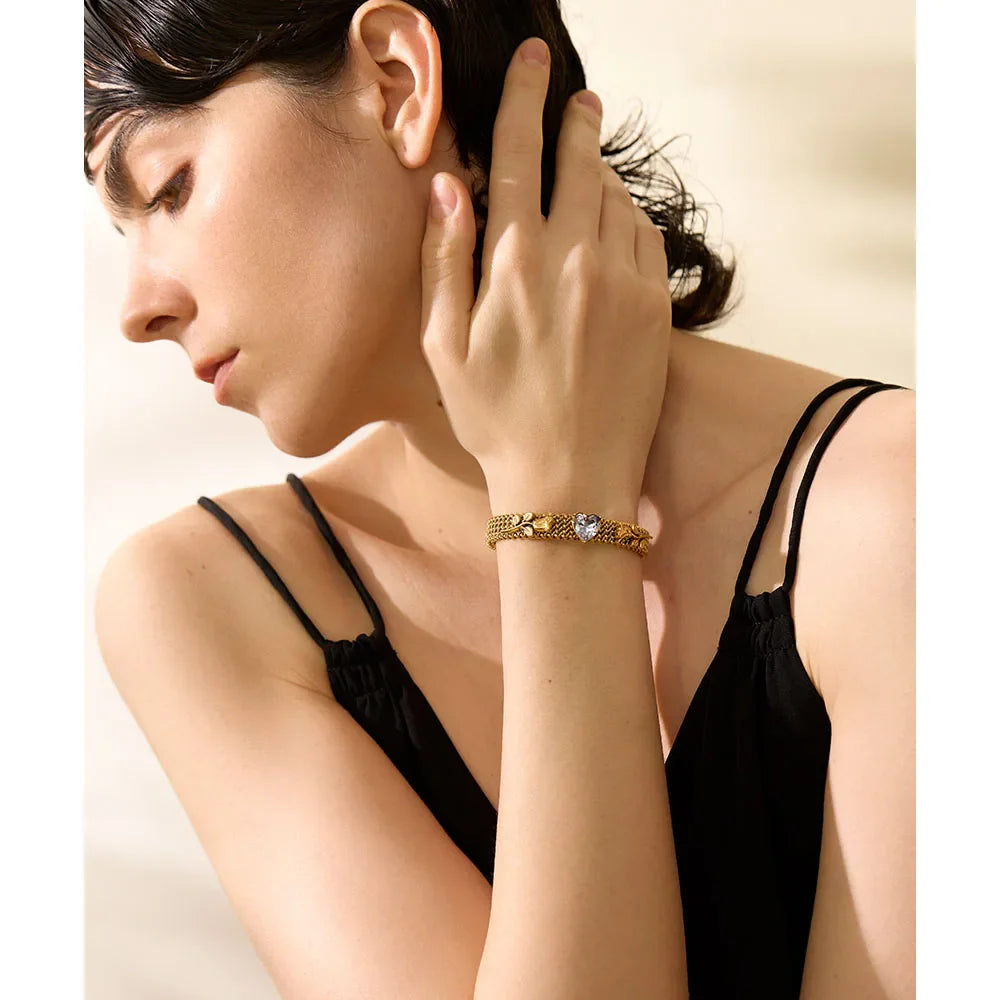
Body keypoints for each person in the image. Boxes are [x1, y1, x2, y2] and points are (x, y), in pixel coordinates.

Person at [86, 1, 915, 997]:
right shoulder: (207, 604)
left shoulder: (910, 515)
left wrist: (559, 501)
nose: (137, 308)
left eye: (169, 188)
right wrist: (560, 505)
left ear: (395, 83)